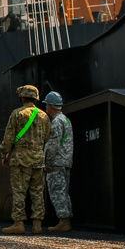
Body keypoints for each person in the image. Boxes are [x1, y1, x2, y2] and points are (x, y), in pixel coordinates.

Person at [0, 84, 51, 234]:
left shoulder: (17, 114)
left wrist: (4, 154)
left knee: (19, 192)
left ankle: (19, 223)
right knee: (37, 192)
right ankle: (37, 224)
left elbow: (8, 137)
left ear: (22, 97)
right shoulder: (44, 116)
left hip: (20, 160)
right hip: (38, 159)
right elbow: (48, 136)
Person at [43, 92, 74, 232]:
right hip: (66, 161)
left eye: (46, 105)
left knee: (57, 191)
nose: (45, 108)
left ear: (50, 106)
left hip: (56, 161)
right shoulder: (66, 120)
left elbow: (53, 144)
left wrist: (47, 161)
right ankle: (66, 219)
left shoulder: (56, 122)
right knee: (64, 191)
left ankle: (63, 221)